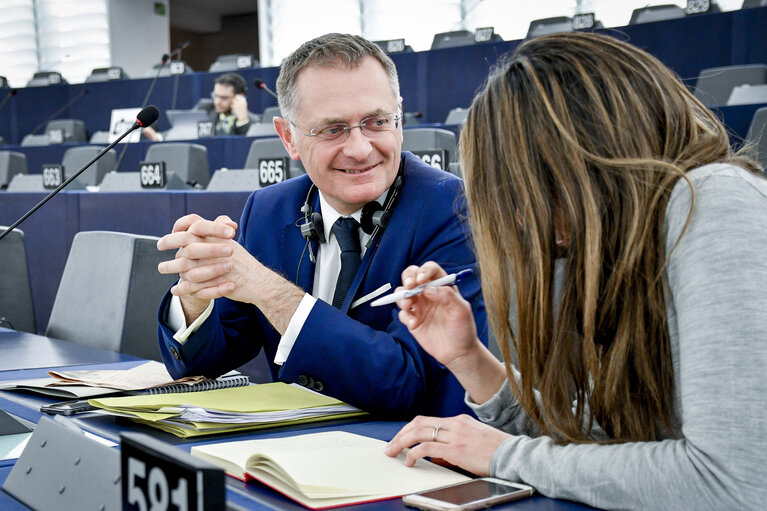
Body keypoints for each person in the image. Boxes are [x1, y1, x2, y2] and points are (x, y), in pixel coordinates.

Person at [385, 32, 767, 509]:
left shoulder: (713, 201)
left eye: (529, 186)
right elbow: (610, 443)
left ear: (591, 155)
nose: (524, 220)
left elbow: (733, 483)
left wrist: (507, 456)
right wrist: (471, 361)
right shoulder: (626, 241)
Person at [155, 33, 486, 418]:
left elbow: (406, 383)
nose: (361, 148)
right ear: (288, 138)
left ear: (398, 117)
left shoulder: (452, 208)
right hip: (286, 454)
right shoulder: (267, 209)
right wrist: (197, 298)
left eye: (376, 122)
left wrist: (272, 293)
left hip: (410, 457)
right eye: (333, 130)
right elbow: (203, 367)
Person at [143, 72, 257, 140]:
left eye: (224, 98)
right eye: (215, 96)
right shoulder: (206, 107)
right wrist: (159, 137)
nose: (217, 101)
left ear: (240, 97)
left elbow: (245, 146)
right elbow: (184, 127)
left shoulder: (254, 121)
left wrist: (243, 121)